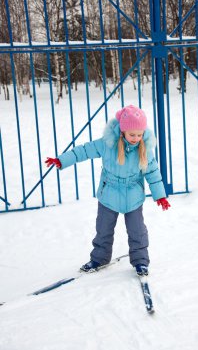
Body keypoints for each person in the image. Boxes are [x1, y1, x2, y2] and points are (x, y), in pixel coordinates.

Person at [45, 105, 171, 276]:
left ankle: (141, 261)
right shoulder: (107, 144)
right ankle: (99, 258)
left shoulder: (145, 149)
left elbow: (153, 172)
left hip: (133, 195)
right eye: (132, 134)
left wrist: (160, 195)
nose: (136, 138)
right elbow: (83, 151)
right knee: (103, 229)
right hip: (109, 194)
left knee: (137, 230)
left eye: (139, 135)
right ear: (122, 131)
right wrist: (62, 160)